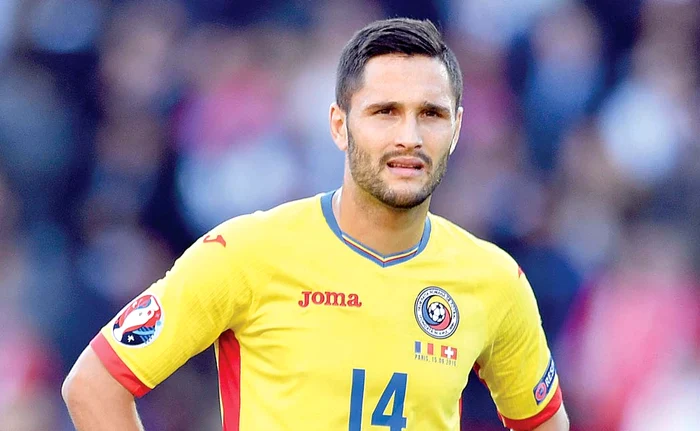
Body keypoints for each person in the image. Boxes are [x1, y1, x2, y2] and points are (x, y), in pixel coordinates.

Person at [62, 18, 569, 431]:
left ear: (456, 129)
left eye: (431, 114)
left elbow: (545, 423)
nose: (410, 136)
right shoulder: (248, 252)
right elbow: (94, 385)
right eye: (385, 112)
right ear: (339, 126)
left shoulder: (495, 281)